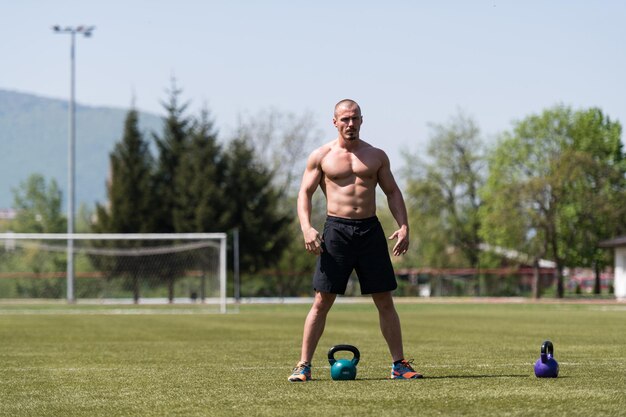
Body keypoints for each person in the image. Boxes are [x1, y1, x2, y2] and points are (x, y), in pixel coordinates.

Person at [288, 99, 422, 382]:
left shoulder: (376, 156)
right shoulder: (322, 155)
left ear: (362, 120)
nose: (350, 124)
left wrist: (404, 226)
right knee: (322, 300)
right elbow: (304, 193)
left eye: (355, 118)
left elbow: (393, 192)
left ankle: (399, 365)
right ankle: (303, 366)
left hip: (370, 231)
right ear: (335, 122)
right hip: (336, 231)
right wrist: (306, 228)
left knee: (384, 299)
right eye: (345, 119)